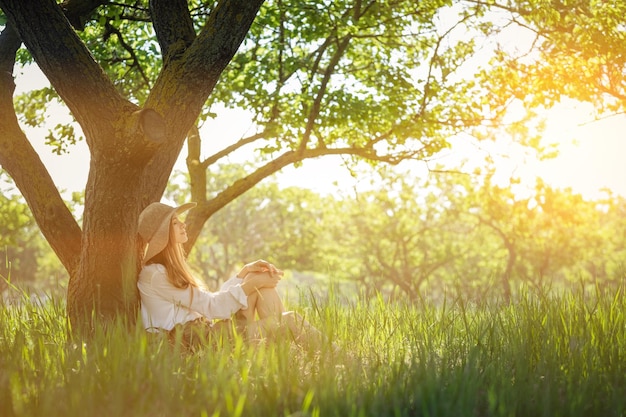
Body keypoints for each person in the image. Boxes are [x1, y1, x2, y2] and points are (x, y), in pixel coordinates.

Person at [137, 201, 324, 351]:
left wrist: (244, 274)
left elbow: (210, 302)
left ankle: (282, 350)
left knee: (258, 283)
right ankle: (339, 358)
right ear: (163, 234)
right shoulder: (156, 274)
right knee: (291, 319)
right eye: (175, 223)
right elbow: (212, 307)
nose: (183, 224)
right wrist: (252, 283)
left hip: (205, 334)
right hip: (198, 342)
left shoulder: (166, 270)